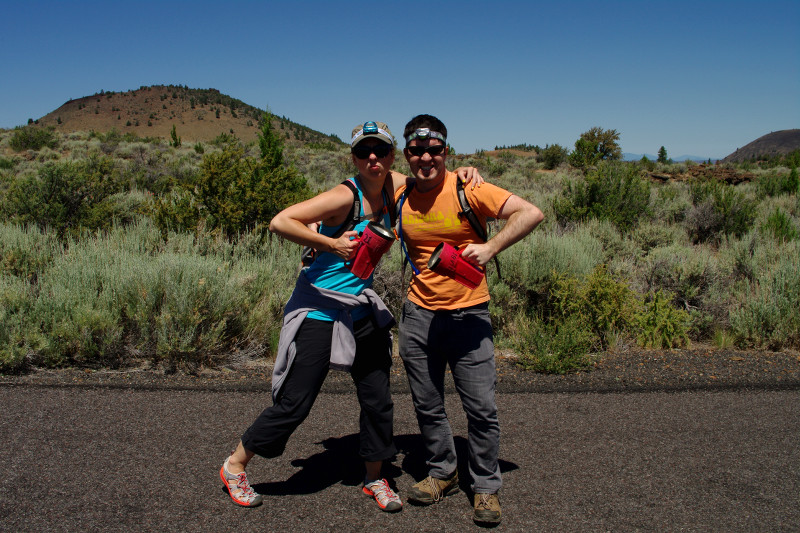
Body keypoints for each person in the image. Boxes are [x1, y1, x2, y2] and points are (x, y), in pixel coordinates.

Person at [219, 121, 483, 513]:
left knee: (377, 399)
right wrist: (331, 244)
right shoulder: (345, 196)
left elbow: (434, 175)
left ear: (392, 155)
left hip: (359, 304)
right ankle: (235, 464)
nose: (372, 158)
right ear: (353, 157)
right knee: (296, 400)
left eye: (380, 151)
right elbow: (280, 221)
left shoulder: (396, 186)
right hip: (320, 305)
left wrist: (466, 172)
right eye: (363, 152)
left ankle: (375, 476)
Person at [395, 114, 544, 525]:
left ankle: (485, 487)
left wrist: (491, 247)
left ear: (446, 150)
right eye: (417, 150)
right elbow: (363, 180)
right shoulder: (400, 190)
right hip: (418, 314)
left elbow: (531, 213)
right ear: (406, 154)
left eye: (435, 150)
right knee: (427, 404)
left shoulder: (468, 188)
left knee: (480, 408)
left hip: (468, 313)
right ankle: (443, 472)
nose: (426, 157)